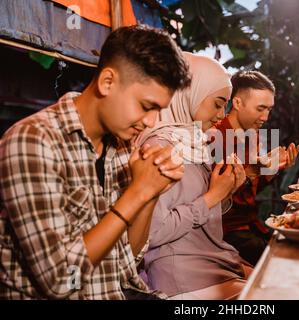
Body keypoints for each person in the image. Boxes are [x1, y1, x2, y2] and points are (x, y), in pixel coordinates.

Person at [0, 26, 191, 299]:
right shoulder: (33, 140)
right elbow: (61, 280)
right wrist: (137, 193)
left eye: (158, 111)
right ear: (107, 82)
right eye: (147, 106)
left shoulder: (122, 143)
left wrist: (150, 192)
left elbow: (129, 258)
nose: (152, 122)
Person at [136, 52, 252, 300]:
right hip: (183, 276)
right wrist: (212, 197)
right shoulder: (159, 147)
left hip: (212, 262)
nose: (222, 115)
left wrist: (226, 190)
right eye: (218, 103)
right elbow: (152, 234)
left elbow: (198, 214)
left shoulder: (191, 140)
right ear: (192, 93)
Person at [215, 70, 299, 265]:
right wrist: (252, 172)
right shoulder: (216, 136)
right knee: (287, 259)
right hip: (225, 232)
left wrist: (272, 171)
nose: (265, 117)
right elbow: (215, 199)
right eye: (260, 108)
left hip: (251, 226)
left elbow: (249, 190)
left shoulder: (251, 135)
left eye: (269, 109)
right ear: (237, 103)